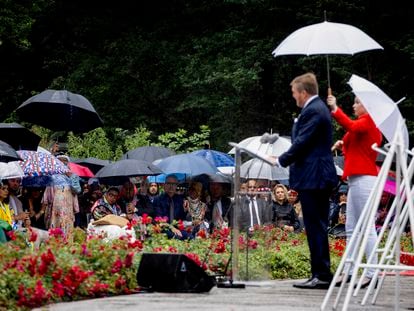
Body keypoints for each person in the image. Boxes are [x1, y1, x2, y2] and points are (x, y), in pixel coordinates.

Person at [274, 73, 338, 289]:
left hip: (315, 177)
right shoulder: (315, 109)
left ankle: (321, 274)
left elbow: (302, 142)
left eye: (294, 94)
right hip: (314, 176)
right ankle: (319, 273)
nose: (294, 98)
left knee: (315, 226)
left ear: (303, 92)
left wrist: (281, 160)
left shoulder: (314, 111)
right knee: (314, 225)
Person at [327, 93, 382, 288]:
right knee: (351, 227)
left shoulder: (369, 121)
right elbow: (357, 145)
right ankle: (349, 271)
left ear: (368, 106)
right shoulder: (364, 123)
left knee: (366, 227)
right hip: (356, 178)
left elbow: (351, 127)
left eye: (358, 102)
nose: (354, 105)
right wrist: (343, 145)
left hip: (364, 178)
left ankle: (372, 272)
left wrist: (335, 109)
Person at [42, 154, 81, 236]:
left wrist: (71, 177)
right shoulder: (52, 177)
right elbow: (47, 196)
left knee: (67, 230)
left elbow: (77, 190)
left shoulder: (73, 176)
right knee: (55, 229)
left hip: (68, 209)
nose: (63, 163)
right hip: (55, 209)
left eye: (65, 161)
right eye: (60, 161)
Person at [153, 174, 188, 239]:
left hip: (177, 229)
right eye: (168, 183)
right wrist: (171, 228)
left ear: (176, 185)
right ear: (164, 185)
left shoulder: (180, 199)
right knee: (175, 236)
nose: (171, 186)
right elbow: (159, 218)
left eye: (173, 184)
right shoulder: (158, 199)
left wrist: (185, 211)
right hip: (164, 228)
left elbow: (181, 219)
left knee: (190, 237)